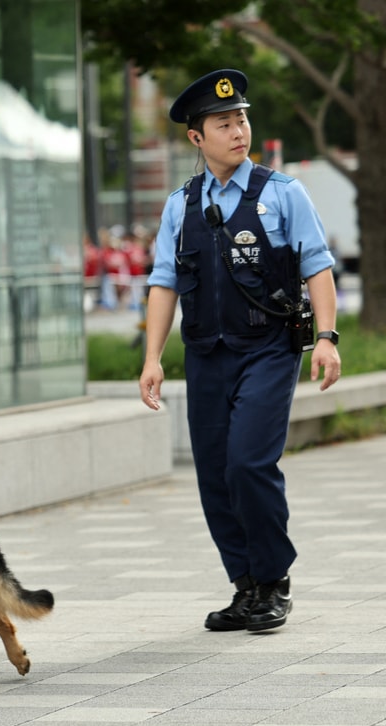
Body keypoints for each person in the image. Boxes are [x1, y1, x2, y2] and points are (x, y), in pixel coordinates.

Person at [140, 69, 340, 633]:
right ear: (196, 138)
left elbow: (317, 265)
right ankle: (246, 586)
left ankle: (274, 580)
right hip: (206, 354)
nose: (238, 131)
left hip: (269, 350)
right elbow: (163, 282)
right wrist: (153, 358)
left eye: (242, 119)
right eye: (224, 123)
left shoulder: (282, 193)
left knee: (249, 463)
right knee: (214, 475)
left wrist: (326, 338)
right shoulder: (181, 205)